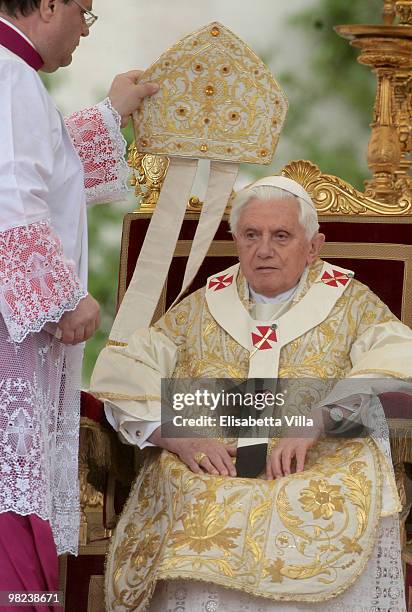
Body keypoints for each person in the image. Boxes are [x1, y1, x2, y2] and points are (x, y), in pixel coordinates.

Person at [91, 177, 412, 611]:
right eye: (251, 235)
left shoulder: (352, 302)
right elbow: (126, 370)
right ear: (236, 241)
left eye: (281, 236)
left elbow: (398, 362)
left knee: (321, 499)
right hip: (209, 462)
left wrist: (321, 418)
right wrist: (175, 433)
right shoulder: (202, 304)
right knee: (200, 501)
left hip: (319, 460)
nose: (265, 249)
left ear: (313, 246)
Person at [0, 0, 158, 598]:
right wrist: (61, 299)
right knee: (10, 527)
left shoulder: (16, 76)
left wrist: (112, 113)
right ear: (49, 5)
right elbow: (11, 194)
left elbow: (48, 171)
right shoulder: (9, 75)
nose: (84, 31)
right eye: (84, 13)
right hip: (9, 344)